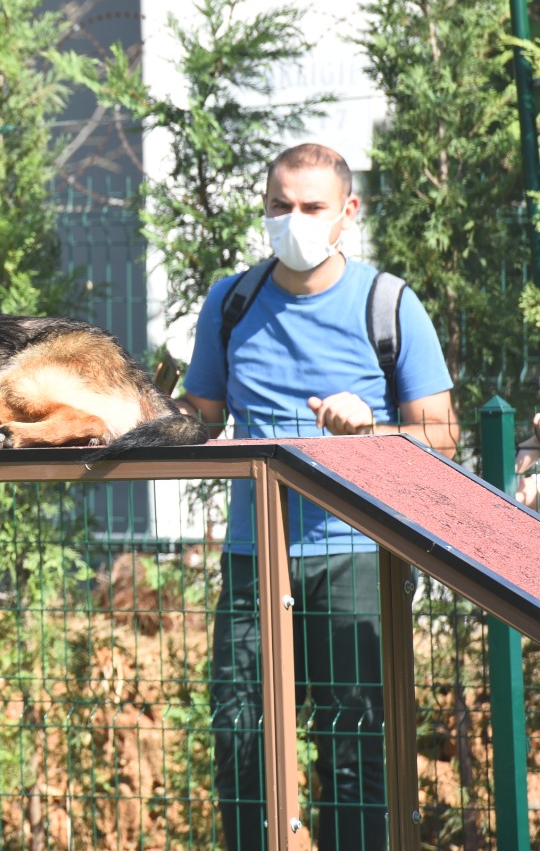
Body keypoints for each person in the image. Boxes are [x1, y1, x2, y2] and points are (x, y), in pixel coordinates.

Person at [177, 142, 458, 851]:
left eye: (311, 207)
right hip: (253, 557)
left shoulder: (387, 302)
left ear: (347, 214)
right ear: (264, 208)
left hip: (356, 557)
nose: (293, 220)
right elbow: (198, 417)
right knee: (240, 739)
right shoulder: (232, 300)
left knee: (357, 745)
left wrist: (376, 430)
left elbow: (443, 435)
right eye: (280, 206)